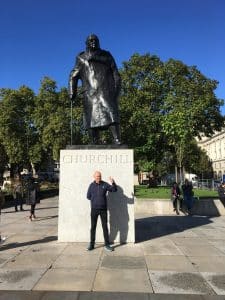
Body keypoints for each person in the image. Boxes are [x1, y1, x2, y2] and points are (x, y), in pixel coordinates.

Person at [69, 34, 121, 145]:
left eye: (95, 40)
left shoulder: (106, 55)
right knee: (91, 118)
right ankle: (94, 141)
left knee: (112, 113)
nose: (93, 42)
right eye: (91, 40)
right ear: (86, 43)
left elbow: (116, 73)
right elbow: (73, 75)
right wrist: (72, 91)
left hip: (106, 91)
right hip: (90, 93)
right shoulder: (81, 58)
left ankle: (117, 139)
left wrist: (116, 91)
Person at [86, 171, 117, 251]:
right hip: (94, 210)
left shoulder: (105, 184)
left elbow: (114, 189)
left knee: (105, 227)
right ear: (94, 177)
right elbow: (88, 196)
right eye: (97, 176)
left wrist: (113, 183)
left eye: (99, 176)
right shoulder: (91, 185)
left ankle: (107, 245)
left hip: (103, 210)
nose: (98, 178)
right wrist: (95, 200)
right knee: (93, 227)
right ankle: (91, 245)